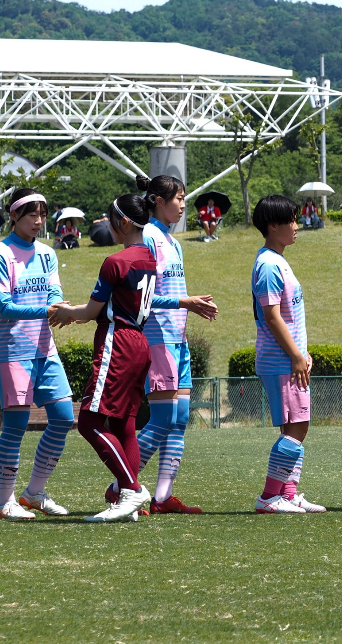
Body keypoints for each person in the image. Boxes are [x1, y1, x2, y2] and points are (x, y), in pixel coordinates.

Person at [48, 193, 218, 522]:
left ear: (124, 223)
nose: (107, 227)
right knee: (126, 425)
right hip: (140, 342)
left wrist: (66, 312)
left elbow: (93, 310)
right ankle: (133, 498)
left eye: (110, 221)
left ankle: (130, 488)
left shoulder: (116, 261)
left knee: (88, 422)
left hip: (118, 342)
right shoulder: (150, 259)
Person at [128, 174, 216, 515]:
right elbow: (142, 299)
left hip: (177, 340)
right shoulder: (148, 236)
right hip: (156, 338)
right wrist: (185, 303)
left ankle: (163, 498)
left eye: (183, 197)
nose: (183, 204)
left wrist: (189, 305)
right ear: (157, 201)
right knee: (163, 418)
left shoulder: (172, 241)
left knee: (179, 419)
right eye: (178, 198)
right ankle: (122, 484)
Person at [0, 188, 75, 521]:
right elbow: (5, 307)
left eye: (42, 215)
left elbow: (55, 291)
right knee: (16, 426)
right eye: (31, 215)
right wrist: (48, 309)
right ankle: (4, 502)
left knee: (65, 417)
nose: (38, 222)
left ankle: (33, 493)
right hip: (12, 351)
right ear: (14, 216)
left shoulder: (47, 253)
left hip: (44, 349)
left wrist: (61, 306)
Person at [251, 194, 324, 514]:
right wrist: (296, 356)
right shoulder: (268, 264)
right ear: (273, 226)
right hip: (280, 360)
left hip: (289, 358)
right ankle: (269, 497)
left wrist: (301, 353)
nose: (297, 226)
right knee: (298, 426)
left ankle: (289, 493)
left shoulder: (277, 259)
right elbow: (272, 315)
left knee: (296, 426)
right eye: (291, 221)